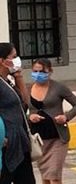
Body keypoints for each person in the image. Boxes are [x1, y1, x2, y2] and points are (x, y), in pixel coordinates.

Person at [28, 58, 76, 184]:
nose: (38, 74)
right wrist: (30, 117)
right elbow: (21, 111)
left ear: (50, 71)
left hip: (57, 137)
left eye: (42, 71)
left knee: (54, 175)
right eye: (35, 71)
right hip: (39, 140)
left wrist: (66, 117)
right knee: (46, 177)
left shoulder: (59, 87)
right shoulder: (28, 89)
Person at [0, 43, 35, 184]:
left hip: (20, 140)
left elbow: (25, 103)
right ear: (2, 61)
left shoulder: (8, 81)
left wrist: (19, 77)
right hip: (8, 143)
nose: (17, 60)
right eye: (13, 57)